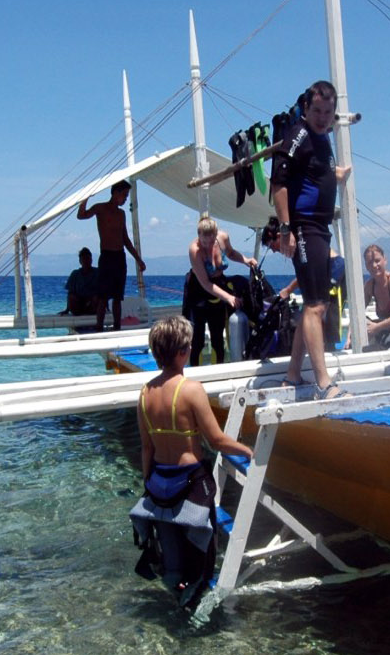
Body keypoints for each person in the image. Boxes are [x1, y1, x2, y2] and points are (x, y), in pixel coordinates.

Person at [130, 315, 254, 607]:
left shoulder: (145, 393)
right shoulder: (191, 390)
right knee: (202, 549)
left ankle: (174, 594)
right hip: (191, 483)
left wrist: (148, 485)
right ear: (182, 351)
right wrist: (248, 451)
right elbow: (216, 441)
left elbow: (146, 448)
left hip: (159, 482)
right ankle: (197, 600)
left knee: (172, 556)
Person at [271, 80, 351, 399]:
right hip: (304, 227)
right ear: (306, 108)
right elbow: (278, 183)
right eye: (316, 110)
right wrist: (287, 229)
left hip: (319, 227)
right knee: (316, 306)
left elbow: (316, 175)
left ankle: (292, 376)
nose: (322, 117)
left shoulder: (322, 139)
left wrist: (337, 176)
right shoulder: (299, 135)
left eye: (328, 112)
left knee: (313, 306)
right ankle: (323, 382)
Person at [183, 216, 253, 365]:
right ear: (198, 236)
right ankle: (196, 372)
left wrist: (245, 260)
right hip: (199, 289)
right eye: (204, 242)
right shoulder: (194, 250)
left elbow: (231, 253)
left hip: (219, 286)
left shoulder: (223, 238)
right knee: (198, 340)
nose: (207, 245)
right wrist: (228, 297)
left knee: (217, 336)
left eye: (210, 241)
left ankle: (219, 369)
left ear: (216, 235)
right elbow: (206, 283)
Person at [77, 179, 146, 331]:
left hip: (119, 257)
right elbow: (81, 215)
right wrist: (86, 197)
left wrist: (139, 260)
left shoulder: (121, 214)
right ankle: (99, 328)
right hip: (106, 256)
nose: (126, 198)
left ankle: (117, 327)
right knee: (102, 297)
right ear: (116, 193)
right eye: (125, 195)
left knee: (117, 297)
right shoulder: (100, 208)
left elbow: (126, 240)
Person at [63, 247, 101, 318]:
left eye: (88, 259)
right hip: (78, 304)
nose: (86, 261)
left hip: (92, 304)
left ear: (91, 260)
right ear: (80, 261)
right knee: (71, 296)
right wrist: (67, 309)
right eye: (84, 259)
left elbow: (103, 291)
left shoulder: (97, 273)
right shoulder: (75, 274)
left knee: (97, 297)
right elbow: (70, 293)